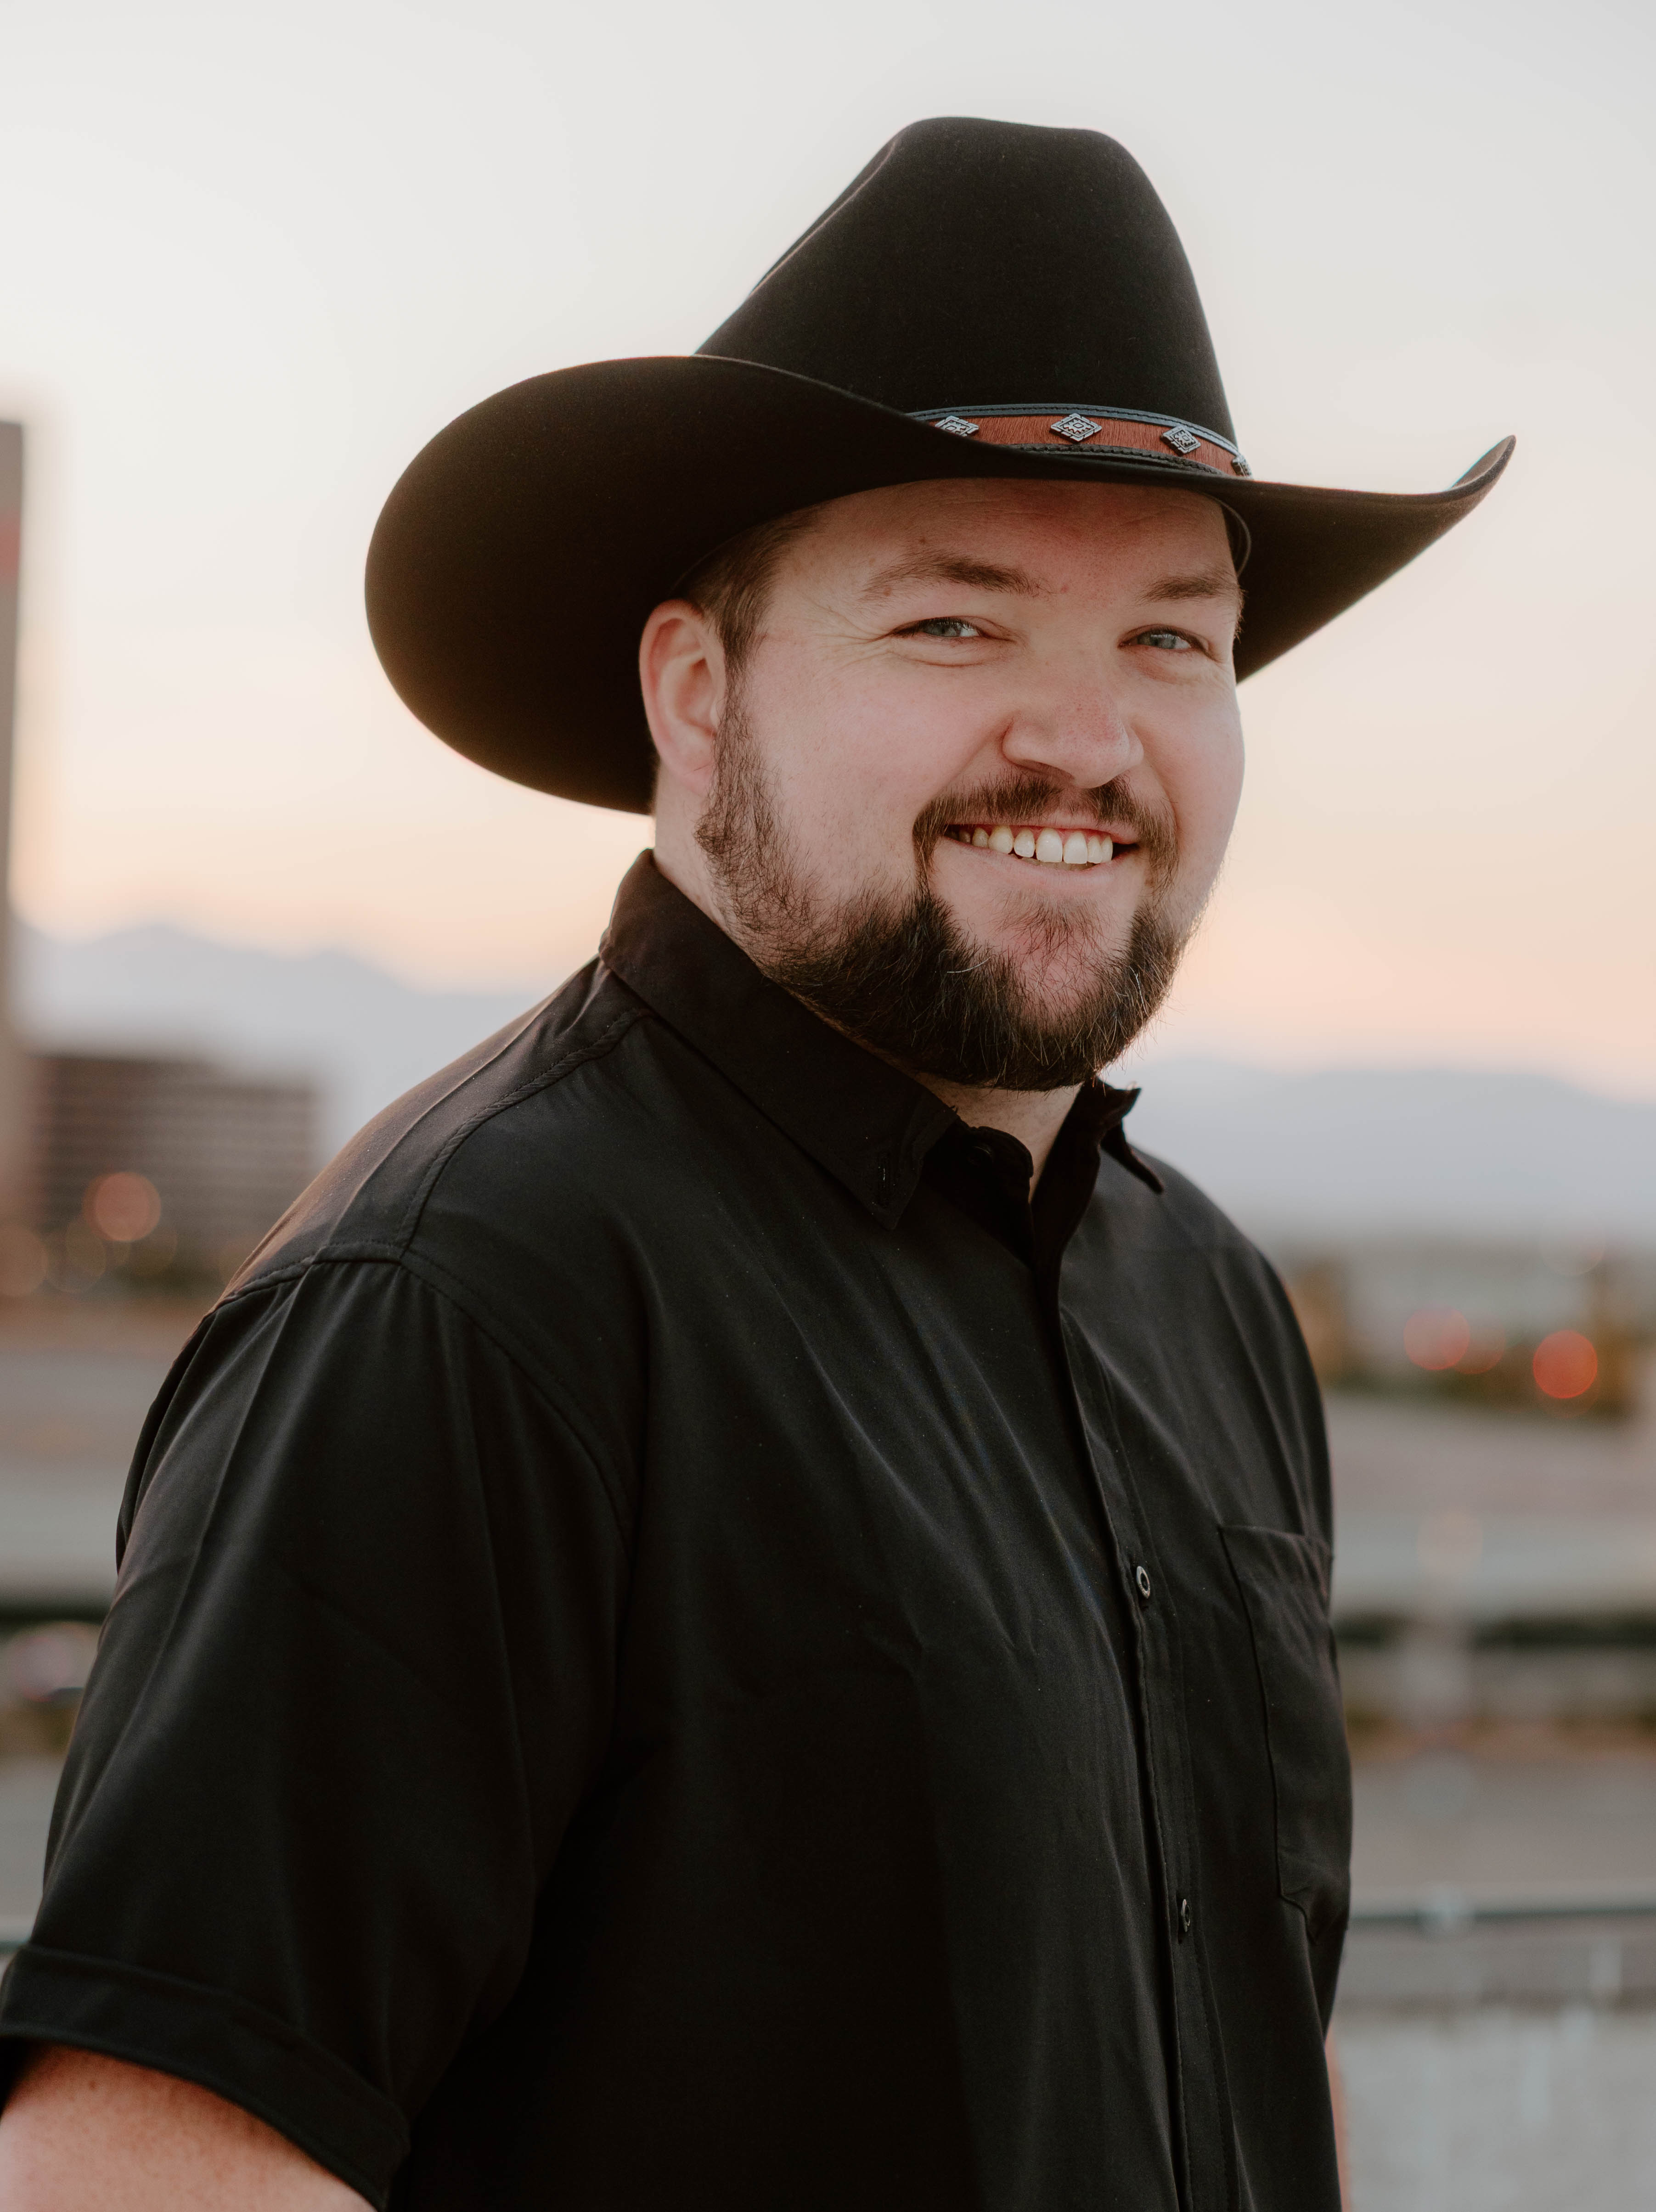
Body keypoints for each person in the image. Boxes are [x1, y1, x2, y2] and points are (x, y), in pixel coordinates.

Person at [0, 117, 1507, 2211]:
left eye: (1172, 638)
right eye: (951, 626)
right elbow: (139, 2163)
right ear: (695, 698)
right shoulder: (469, 1300)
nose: (1083, 737)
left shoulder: (1208, 1307)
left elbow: (1243, 2038)